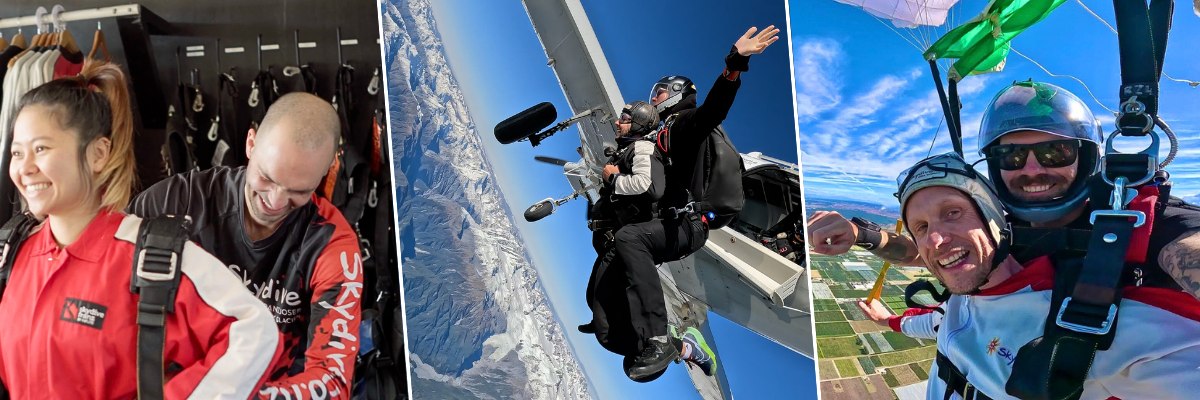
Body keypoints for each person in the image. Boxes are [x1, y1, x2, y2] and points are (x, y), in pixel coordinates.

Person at [0, 60, 281, 399]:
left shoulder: (152, 257)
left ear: (98, 154)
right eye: (17, 152)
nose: (25, 167)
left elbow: (256, 331)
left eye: (41, 149)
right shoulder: (11, 254)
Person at [809, 81, 1200, 299]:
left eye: (1054, 151)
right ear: (993, 167)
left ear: (1085, 156)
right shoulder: (999, 225)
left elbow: (1188, 249)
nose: (1031, 169)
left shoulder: (1147, 222)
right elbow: (927, 253)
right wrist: (862, 235)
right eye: (1011, 156)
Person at [893, 152, 1200, 399]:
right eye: (921, 227)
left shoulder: (1089, 321)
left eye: (953, 213)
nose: (935, 240)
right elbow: (937, 324)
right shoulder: (961, 296)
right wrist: (890, 320)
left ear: (993, 218)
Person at [126, 92, 364, 399]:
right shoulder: (175, 202)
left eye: (299, 191)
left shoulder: (332, 244)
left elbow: (332, 383)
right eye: (266, 177)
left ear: (328, 169)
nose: (275, 202)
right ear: (250, 144)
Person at [590, 25, 778, 380]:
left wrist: (735, 64)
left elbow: (714, 110)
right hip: (663, 225)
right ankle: (678, 346)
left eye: (660, 93)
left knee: (630, 239)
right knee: (603, 322)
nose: (654, 99)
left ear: (677, 94)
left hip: (688, 225)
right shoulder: (654, 137)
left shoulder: (682, 125)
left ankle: (660, 338)